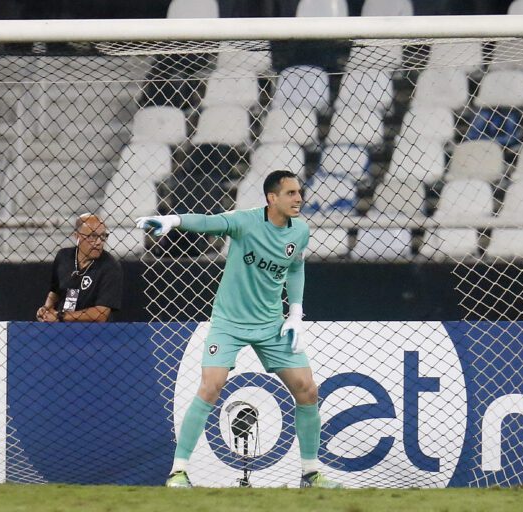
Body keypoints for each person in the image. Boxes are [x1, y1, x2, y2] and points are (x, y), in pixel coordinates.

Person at [136, 170, 342, 489]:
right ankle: (178, 472)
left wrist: (296, 312)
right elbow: (207, 222)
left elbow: (296, 267)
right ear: (272, 198)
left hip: (271, 324)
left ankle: (311, 474)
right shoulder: (244, 221)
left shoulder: (300, 230)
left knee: (308, 389)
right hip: (229, 323)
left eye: (299, 192)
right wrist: (173, 221)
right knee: (211, 386)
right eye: (290, 193)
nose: (299, 198)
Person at [37, 213, 122, 322]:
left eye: (103, 236)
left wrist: (60, 316)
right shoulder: (63, 257)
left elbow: (101, 314)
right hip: (61, 329)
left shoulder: (110, 266)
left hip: (94, 333)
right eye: (92, 236)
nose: (99, 242)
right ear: (77, 236)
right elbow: (55, 291)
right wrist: (46, 309)